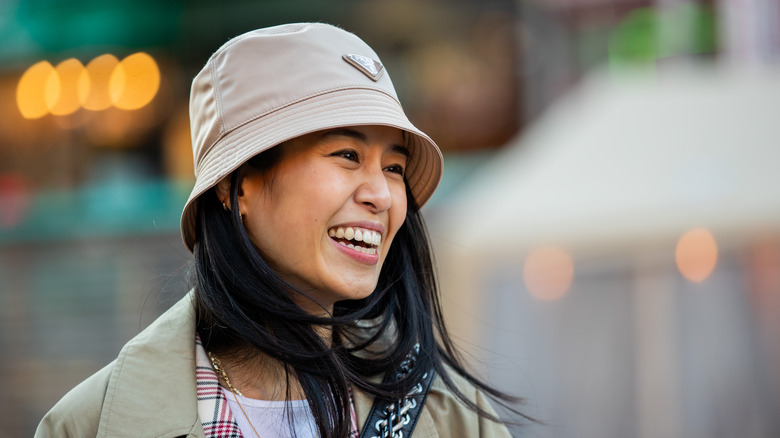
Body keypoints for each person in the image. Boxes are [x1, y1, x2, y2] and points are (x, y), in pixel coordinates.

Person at [36, 23, 521, 438]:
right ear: (237, 185)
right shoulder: (90, 424)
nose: (384, 196)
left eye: (394, 167)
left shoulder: (450, 419)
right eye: (347, 155)